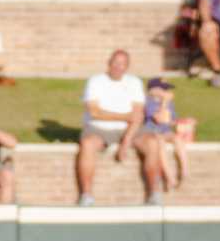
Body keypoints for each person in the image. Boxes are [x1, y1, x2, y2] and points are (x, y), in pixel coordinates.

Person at [75, 48, 148, 206]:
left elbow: (137, 115)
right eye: (115, 63)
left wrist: (126, 142)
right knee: (88, 145)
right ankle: (86, 195)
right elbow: (94, 112)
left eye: (122, 64)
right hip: (98, 129)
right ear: (109, 63)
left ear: (127, 67)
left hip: (128, 130)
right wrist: (124, 116)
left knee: (154, 143)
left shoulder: (134, 83)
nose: (118, 67)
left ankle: (154, 195)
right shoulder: (95, 81)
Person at [140, 78, 189, 199]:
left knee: (178, 140)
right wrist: (165, 102)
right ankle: (169, 177)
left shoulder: (169, 103)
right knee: (160, 145)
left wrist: (183, 122)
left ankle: (184, 170)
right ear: (153, 90)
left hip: (165, 131)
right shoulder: (148, 102)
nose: (166, 91)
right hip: (153, 132)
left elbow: (170, 120)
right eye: (164, 89)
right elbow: (158, 119)